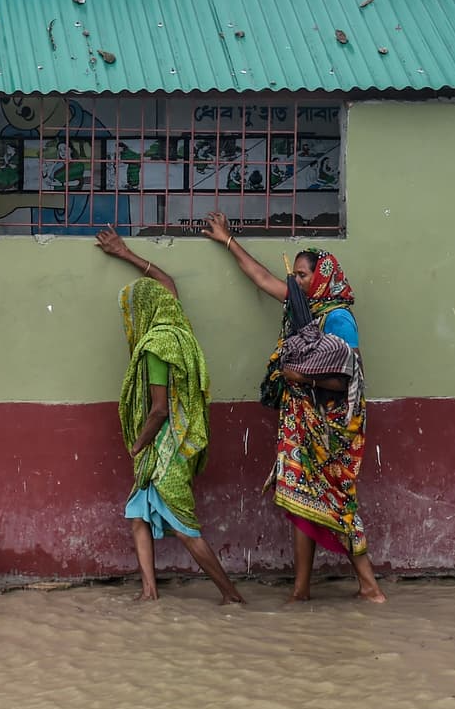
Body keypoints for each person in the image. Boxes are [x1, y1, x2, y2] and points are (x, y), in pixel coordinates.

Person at [201, 211, 387, 604]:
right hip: (300, 421)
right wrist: (227, 240)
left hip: (330, 428)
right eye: (297, 275)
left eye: (303, 275)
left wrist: (304, 379)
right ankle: (300, 590)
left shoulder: (338, 320)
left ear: (322, 277)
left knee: (338, 500)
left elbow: (345, 379)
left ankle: (369, 585)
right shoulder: (303, 310)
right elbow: (262, 277)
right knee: (300, 499)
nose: (296, 281)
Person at [95, 225, 245, 605]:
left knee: (184, 528)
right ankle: (149, 592)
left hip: (164, 449)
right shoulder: (175, 325)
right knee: (137, 516)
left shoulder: (155, 349)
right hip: (170, 442)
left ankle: (230, 595)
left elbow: (159, 410)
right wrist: (125, 253)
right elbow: (166, 280)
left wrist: (138, 444)